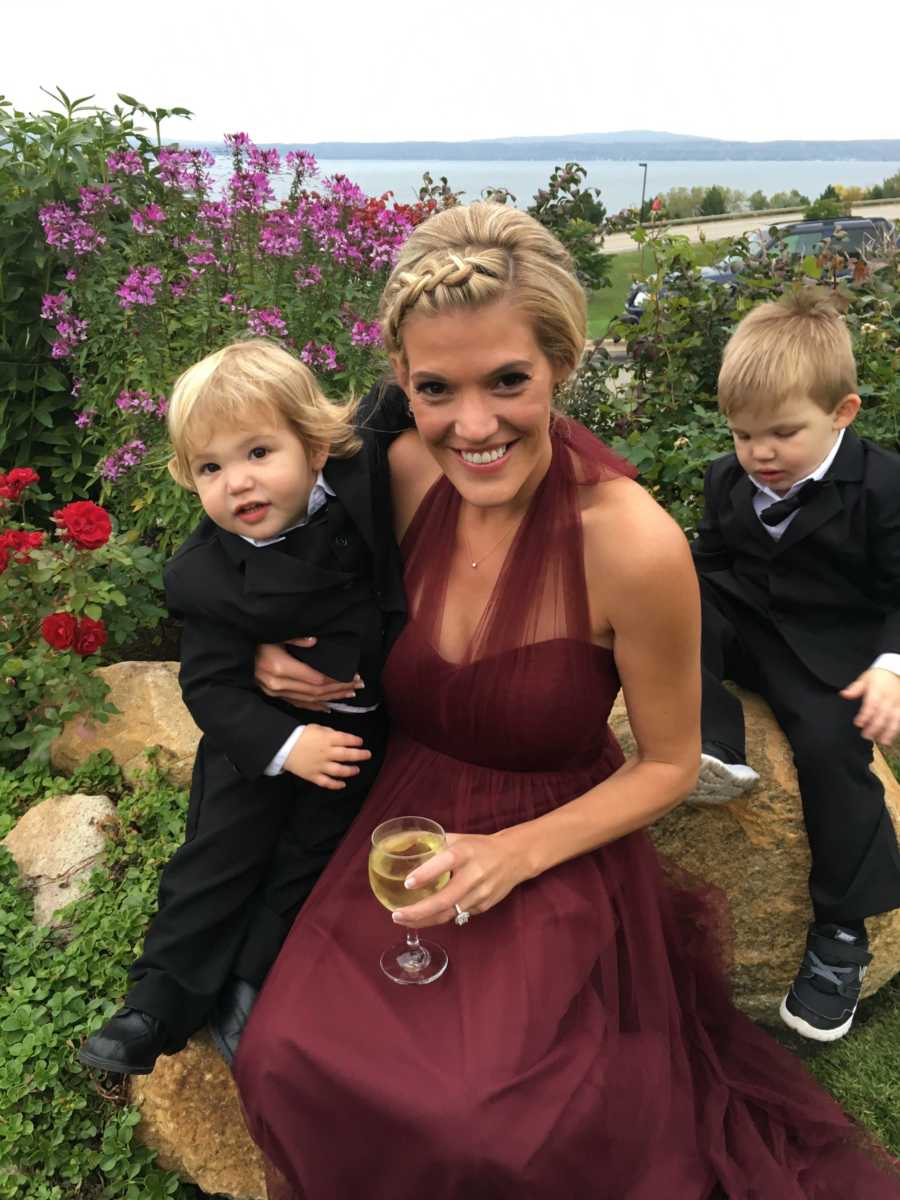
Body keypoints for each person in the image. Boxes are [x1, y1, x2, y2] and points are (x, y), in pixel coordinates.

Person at [236, 206, 900, 1198]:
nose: (474, 425)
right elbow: (255, 559)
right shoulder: (401, 476)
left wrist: (515, 855)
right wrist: (256, 649)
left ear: (561, 363)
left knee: (483, 1122)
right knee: (283, 1052)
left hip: (555, 843)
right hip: (403, 818)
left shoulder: (630, 543)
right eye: (435, 388)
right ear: (402, 386)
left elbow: (673, 764)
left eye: (509, 380)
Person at [78, 339, 404, 1075]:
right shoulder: (210, 575)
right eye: (211, 468)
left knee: (306, 865)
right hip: (254, 749)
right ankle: (155, 1005)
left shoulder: (356, 489)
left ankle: (250, 980)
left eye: (259, 452)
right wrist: (287, 746)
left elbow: (396, 403)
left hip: (357, 741)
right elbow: (210, 685)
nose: (239, 483)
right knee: (215, 861)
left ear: (316, 446)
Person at [689, 288, 900, 1043]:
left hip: (830, 656)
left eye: (781, 433)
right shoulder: (726, 477)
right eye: (744, 436)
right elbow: (711, 562)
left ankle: (842, 933)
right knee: (681, 605)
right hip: (747, 624)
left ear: (842, 412)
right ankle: (712, 745)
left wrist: (891, 667)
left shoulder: (881, 488)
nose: (760, 455)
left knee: (832, 752)